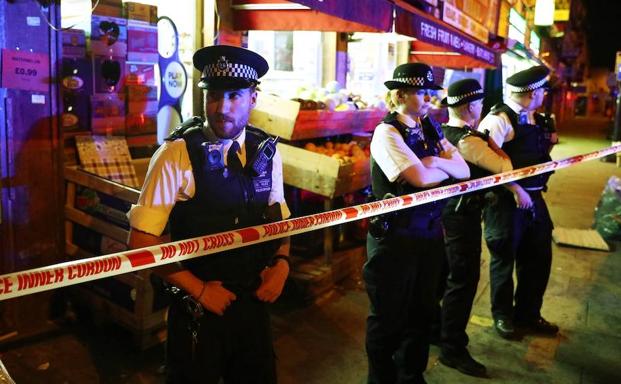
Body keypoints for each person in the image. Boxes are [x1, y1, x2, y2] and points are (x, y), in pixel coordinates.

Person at [127, 45, 291, 384]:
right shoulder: (176, 154)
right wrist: (199, 290)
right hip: (198, 309)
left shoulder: (267, 152)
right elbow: (140, 241)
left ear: (253, 98)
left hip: (254, 305)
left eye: (234, 96)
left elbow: (280, 221)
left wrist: (282, 263)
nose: (223, 108)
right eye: (214, 96)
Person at [364, 62, 469, 384]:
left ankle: (412, 375)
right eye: (421, 92)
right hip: (394, 239)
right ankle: (381, 379)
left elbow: (463, 170)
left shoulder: (429, 127)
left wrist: (436, 161)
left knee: (422, 312)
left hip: (428, 234)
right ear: (399, 95)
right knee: (388, 317)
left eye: (429, 92)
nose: (428, 99)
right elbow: (419, 178)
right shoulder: (387, 132)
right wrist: (438, 169)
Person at [438, 78, 520, 377]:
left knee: (446, 278)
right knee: (463, 280)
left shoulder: (446, 132)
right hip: (462, 217)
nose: (482, 106)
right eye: (479, 103)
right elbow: (504, 168)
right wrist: (498, 148)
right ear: (470, 106)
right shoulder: (468, 140)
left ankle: (440, 333)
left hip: (449, 215)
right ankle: (453, 349)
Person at [478, 65, 559, 340]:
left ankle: (528, 314)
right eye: (542, 90)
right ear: (531, 92)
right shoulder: (498, 120)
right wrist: (514, 188)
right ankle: (502, 315)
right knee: (504, 258)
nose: (545, 94)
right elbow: (484, 163)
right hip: (505, 202)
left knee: (538, 258)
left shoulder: (537, 118)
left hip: (535, 198)